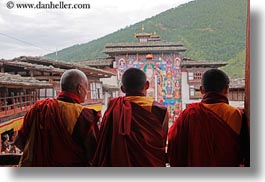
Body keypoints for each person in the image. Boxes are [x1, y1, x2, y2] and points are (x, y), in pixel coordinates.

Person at [14, 69, 99, 167]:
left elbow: (19, 141)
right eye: (86, 88)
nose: (87, 92)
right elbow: (94, 153)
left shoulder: (39, 108)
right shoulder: (82, 115)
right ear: (79, 88)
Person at [167, 69, 249, 167]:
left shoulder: (189, 114)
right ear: (227, 89)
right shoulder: (236, 114)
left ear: (201, 90)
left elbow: (173, 143)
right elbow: (244, 150)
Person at [92, 68, 169, 167]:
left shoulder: (114, 107)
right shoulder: (159, 110)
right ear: (147, 85)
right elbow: (161, 142)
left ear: (123, 89)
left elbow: (105, 142)